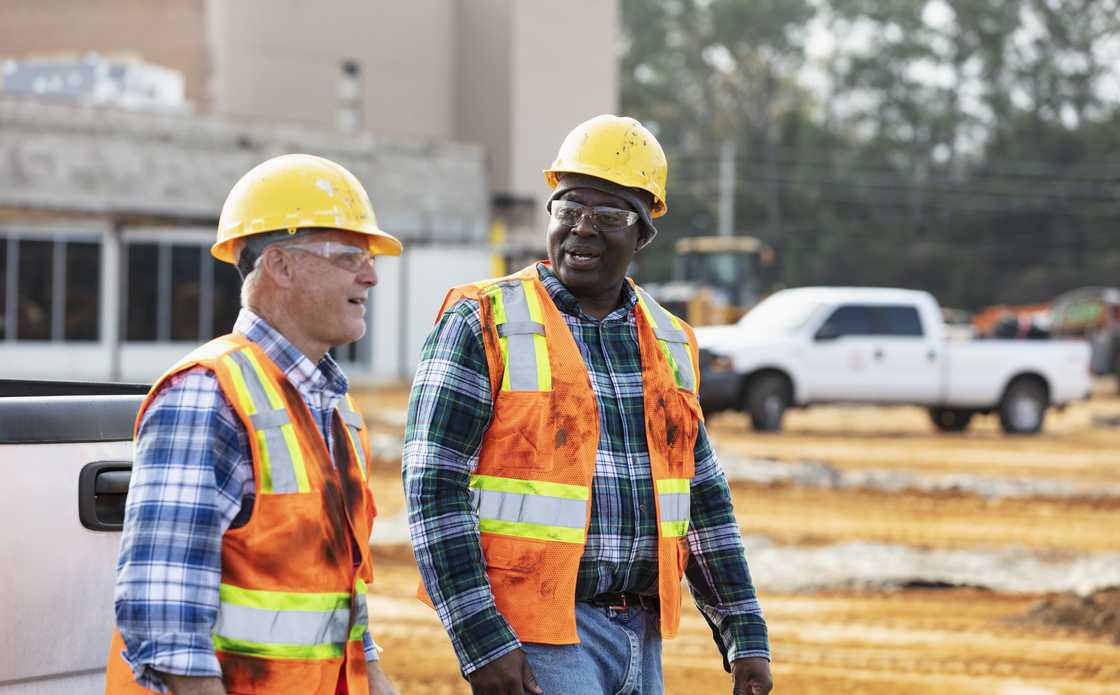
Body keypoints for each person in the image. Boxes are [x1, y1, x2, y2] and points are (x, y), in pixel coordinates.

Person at [404, 115, 772, 695]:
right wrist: (480, 640)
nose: (582, 229)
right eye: (568, 210)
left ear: (643, 233)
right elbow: (433, 486)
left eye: (608, 216)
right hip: (534, 634)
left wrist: (743, 629)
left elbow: (701, 496)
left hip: (641, 635)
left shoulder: (671, 340)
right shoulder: (483, 321)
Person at [106, 154, 403, 695]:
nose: (371, 275)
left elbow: (338, 592)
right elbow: (165, 617)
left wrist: (375, 678)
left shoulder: (332, 407)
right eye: (348, 256)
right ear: (281, 267)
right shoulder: (207, 393)